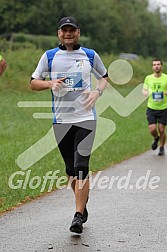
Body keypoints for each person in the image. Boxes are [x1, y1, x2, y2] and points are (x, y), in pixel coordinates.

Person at [30, 16, 108, 233]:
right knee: (71, 170)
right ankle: (82, 206)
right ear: (59, 33)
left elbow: (104, 77)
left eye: (72, 30)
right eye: (64, 30)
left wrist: (97, 91)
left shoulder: (90, 55)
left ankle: (76, 216)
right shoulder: (49, 56)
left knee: (82, 166)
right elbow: (33, 83)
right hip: (61, 120)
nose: (68, 34)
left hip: (85, 119)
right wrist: (50, 83)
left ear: (78, 32)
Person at [142, 58, 167, 156]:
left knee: (161, 129)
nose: (156, 66)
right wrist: (146, 93)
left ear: (161, 66)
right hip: (151, 107)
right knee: (152, 129)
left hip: (164, 107)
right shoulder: (148, 78)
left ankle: (161, 147)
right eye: (154, 65)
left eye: (158, 64)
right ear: (152, 67)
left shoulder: (165, 77)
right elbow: (144, 90)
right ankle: (156, 138)